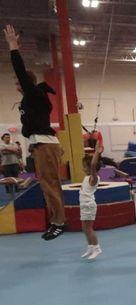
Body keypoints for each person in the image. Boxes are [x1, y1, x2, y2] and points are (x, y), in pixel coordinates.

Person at [4, 25, 65, 240]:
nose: (16, 85)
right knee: (46, 183)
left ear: (25, 82)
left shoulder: (33, 94)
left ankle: (59, 222)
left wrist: (13, 46)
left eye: (18, 82)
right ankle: (55, 220)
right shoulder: (30, 98)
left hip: (46, 144)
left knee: (50, 183)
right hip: (40, 145)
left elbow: (20, 70)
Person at [80, 147, 103, 261]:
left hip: (89, 205)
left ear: (91, 168)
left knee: (89, 228)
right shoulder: (87, 177)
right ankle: (90, 247)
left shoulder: (94, 178)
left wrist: (96, 153)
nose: (83, 168)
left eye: (85, 166)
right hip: (84, 205)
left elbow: (93, 164)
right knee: (84, 228)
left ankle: (97, 248)